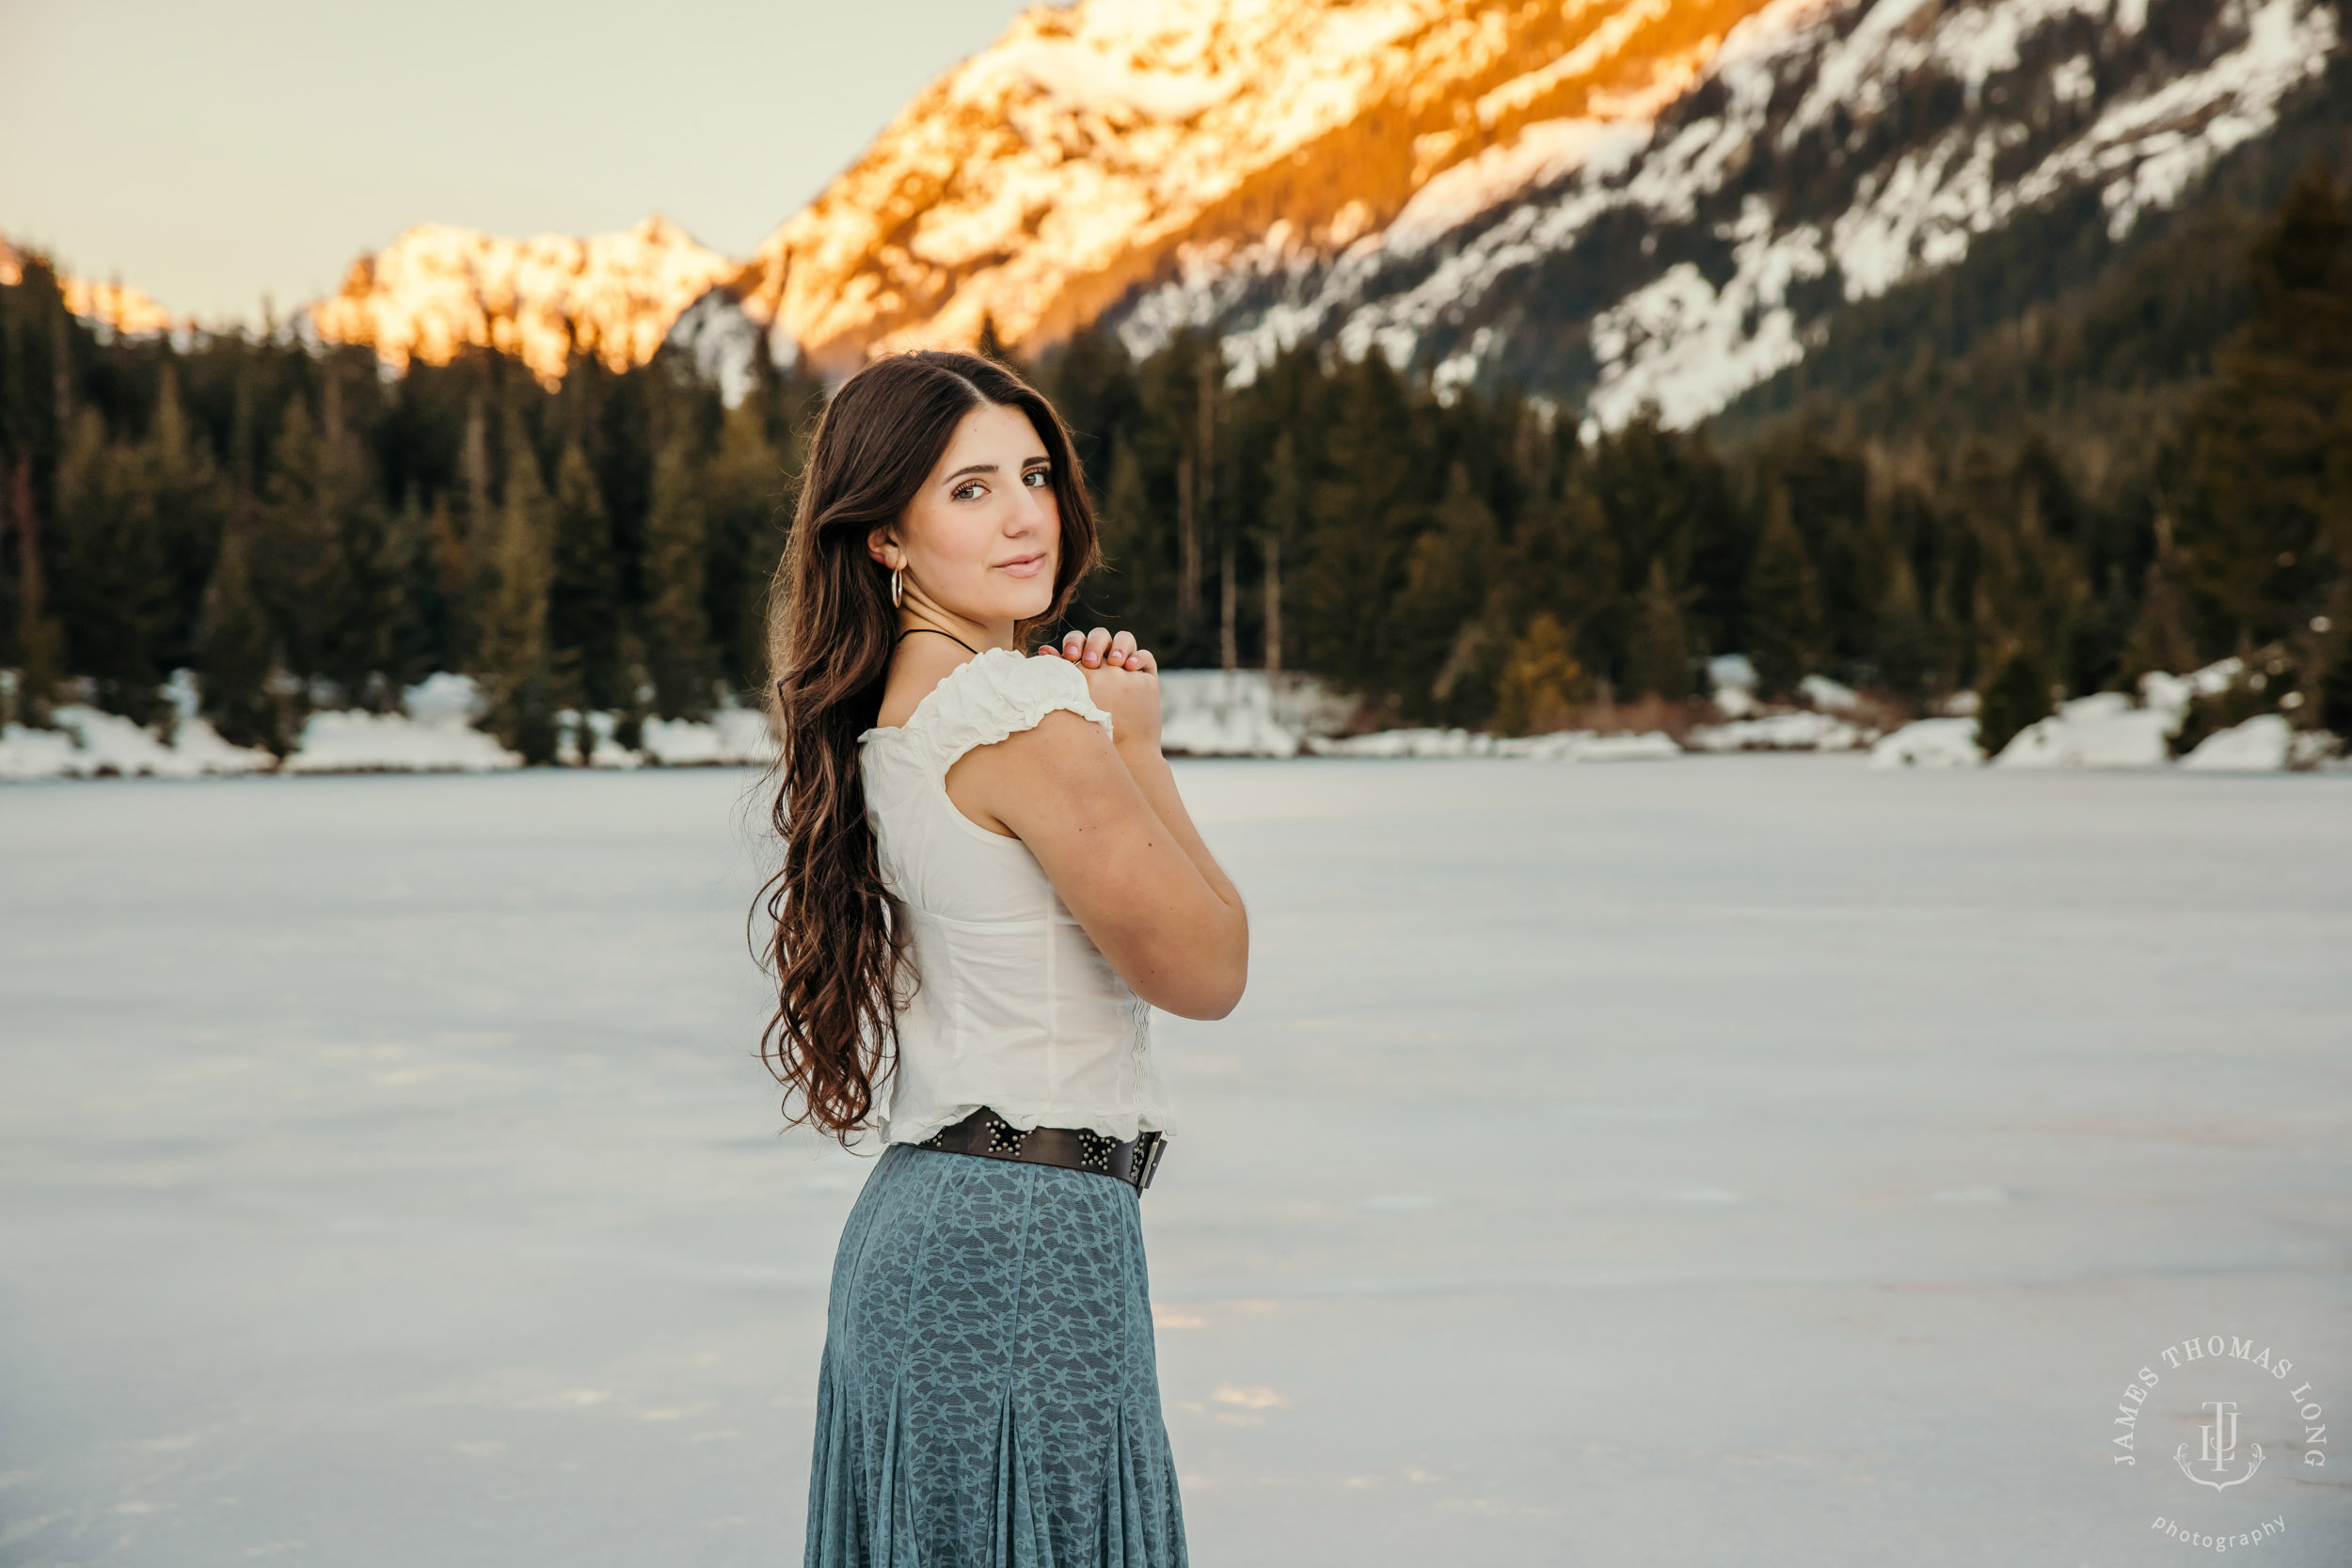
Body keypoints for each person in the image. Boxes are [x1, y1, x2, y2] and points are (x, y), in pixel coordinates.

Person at [755, 348, 1249, 1567]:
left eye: (1032, 474)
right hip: (1023, 1240)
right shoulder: (1023, 715)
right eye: (968, 489)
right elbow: (1207, 970)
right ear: (886, 538)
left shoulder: (899, 712)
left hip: (943, 1227)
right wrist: (1135, 745)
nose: (1026, 513)